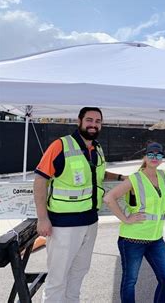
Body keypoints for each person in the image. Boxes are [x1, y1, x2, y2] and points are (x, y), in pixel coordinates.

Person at [33, 107, 124, 302]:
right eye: (89, 120)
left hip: (90, 222)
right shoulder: (60, 146)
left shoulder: (96, 148)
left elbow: (97, 175)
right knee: (57, 278)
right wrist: (42, 218)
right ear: (79, 121)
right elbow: (40, 180)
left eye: (98, 121)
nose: (93, 124)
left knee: (78, 273)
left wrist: (120, 177)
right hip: (63, 225)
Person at [104, 142, 165, 303]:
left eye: (158, 155)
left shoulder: (161, 175)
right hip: (132, 239)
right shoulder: (135, 178)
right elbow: (109, 198)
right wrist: (125, 219)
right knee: (130, 282)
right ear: (145, 157)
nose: (155, 158)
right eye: (151, 155)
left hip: (155, 239)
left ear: (161, 159)